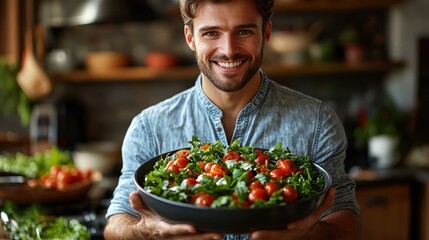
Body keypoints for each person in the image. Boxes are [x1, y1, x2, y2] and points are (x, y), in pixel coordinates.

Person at [104, 0, 361, 239]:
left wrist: (308, 235)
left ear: (266, 33)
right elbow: (115, 226)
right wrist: (147, 231)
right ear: (190, 37)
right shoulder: (148, 127)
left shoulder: (317, 121)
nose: (228, 51)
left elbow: (347, 221)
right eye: (211, 33)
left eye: (244, 32)